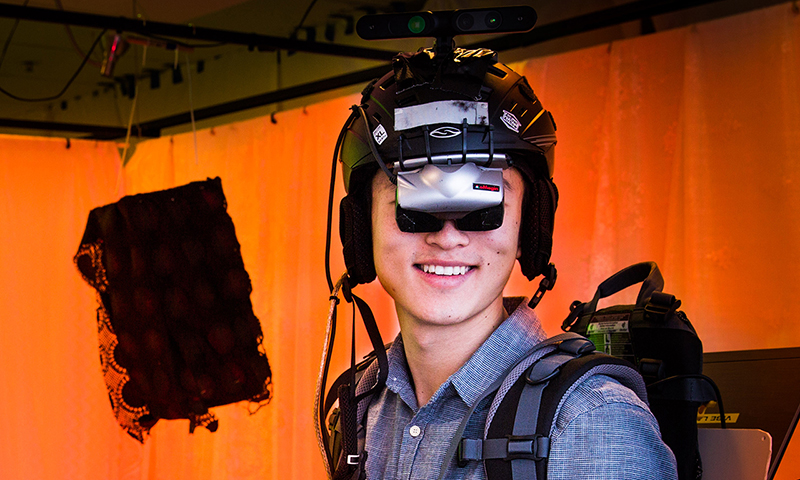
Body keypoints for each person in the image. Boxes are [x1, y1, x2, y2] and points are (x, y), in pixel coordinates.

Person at [327, 46, 678, 480]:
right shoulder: (357, 406)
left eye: (482, 205)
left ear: (528, 227)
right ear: (361, 227)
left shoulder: (591, 423)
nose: (448, 236)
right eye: (415, 206)